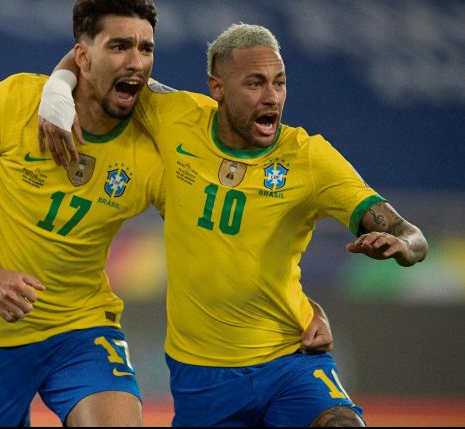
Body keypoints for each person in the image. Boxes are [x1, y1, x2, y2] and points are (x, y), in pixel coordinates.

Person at [38, 22, 429, 426]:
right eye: (255, 83)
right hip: (201, 376)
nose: (272, 97)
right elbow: (94, 62)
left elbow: (412, 235)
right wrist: (55, 94)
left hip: (289, 359)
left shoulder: (310, 158)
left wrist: (402, 246)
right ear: (218, 88)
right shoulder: (174, 115)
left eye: (279, 83)